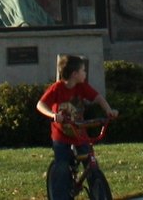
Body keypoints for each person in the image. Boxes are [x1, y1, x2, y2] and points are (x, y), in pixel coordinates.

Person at [37, 55, 118, 200]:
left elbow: (97, 97)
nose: (85, 73)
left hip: (79, 134)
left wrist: (108, 110)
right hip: (61, 136)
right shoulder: (57, 88)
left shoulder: (82, 87)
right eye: (83, 70)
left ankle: (99, 194)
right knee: (62, 167)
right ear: (75, 74)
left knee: (92, 165)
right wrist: (53, 115)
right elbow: (40, 105)